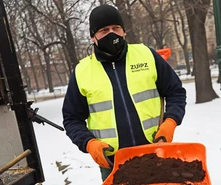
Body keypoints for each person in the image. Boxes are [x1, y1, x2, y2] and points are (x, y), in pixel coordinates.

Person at [62, 4, 186, 181]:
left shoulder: (146, 55)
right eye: (104, 30)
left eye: (116, 28)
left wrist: (171, 121)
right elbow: (71, 118)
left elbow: (176, 91)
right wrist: (89, 144)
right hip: (113, 163)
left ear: (124, 31)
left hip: (155, 152)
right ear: (93, 37)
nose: (112, 34)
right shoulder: (82, 72)